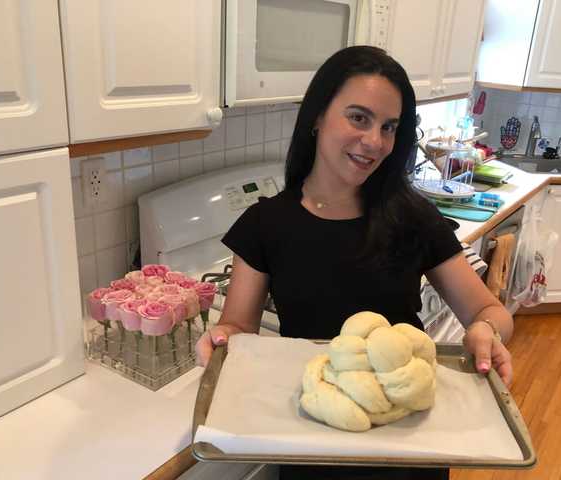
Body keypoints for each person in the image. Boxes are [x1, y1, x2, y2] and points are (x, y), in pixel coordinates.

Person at [196, 45, 513, 480]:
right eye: (358, 117)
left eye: (389, 127)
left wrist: (486, 331)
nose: (375, 142)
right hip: (309, 447)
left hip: (408, 449)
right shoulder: (265, 224)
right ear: (317, 116)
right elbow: (238, 331)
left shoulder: (412, 217)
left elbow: (487, 311)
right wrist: (220, 342)